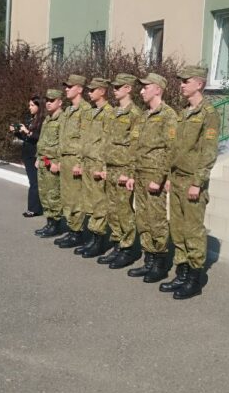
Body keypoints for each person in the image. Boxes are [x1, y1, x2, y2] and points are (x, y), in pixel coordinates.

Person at [160, 65, 219, 299]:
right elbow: (174, 148)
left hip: (193, 180)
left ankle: (195, 277)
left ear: (199, 84)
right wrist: (167, 177)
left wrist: (198, 181)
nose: (181, 84)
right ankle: (182, 272)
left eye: (186, 81)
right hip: (177, 178)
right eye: (181, 81)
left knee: (193, 230)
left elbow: (208, 151)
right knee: (178, 228)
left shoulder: (208, 113)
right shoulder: (184, 112)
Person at [125, 72, 177, 283]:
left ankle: (160, 262)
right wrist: (131, 173)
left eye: (146, 87)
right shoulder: (144, 116)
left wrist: (160, 177)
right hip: (140, 174)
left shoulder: (168, 115)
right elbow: (136, 148)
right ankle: (148, 259)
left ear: (158, 89)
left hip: (155, 176)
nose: (142, 90)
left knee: (156, 220)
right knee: (143, 219)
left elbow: (170, 149)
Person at [98, 73, 143, 269]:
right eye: (113, 87)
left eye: (118, 87)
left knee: (124, 210)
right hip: (112, 167)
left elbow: (135, 146)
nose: (114, 90)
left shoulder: (135, 114)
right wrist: (105, 166)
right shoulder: (115, 112)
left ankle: (128, 248)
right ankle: (117, 244)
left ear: (128, 89)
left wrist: (130, 172)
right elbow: (108, 141)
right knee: (113, 209)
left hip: (124, 168)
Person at [73, 77, 115, 258]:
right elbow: (85, 140)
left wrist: (105, 167)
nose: (89, 93)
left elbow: (108, 143)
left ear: (102, 91)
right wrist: (81, 162)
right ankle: (92, 238)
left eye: (92, 90)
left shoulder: (109, 113)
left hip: (98, 164)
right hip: (88, 162)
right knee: (89, 202)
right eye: (88, 90)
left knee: (99, 203)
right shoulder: (91, 113)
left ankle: (99, 240)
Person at [54, 74, 92, 249]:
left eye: (70, 87)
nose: (66, 89)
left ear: (80, 89)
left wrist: (79, 162)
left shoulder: (85, 110)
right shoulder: (69, 110)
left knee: (76, 198)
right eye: (66, 87)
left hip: (75, 159)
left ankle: (77, 232)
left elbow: (85, 138)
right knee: (67, 197)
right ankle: (71, 229)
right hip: (65, 158)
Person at [34, 90, 65, 238]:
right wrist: (37, 157)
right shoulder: (48, 119)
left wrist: (57, 162)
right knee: (44, 194)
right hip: (43, 162)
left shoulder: (62, 119)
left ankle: (56, 225)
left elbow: (63, 143)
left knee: (53, 195)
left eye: (52, 100)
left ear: (60, 102)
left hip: (52, 164)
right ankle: (49, 222)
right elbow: (42, 141)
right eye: (47, 100)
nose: (48, 103)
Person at [10, 95, 44, 217]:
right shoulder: (31, 119)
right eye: (29, 105)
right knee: (34, 182)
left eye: (32, 105)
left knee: (34, 183)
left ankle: (33, 209)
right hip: (27, 155)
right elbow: (27, 139)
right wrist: (17, 132)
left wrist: (27, 131)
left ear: (39, 106)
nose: (29, 107)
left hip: (35, 155)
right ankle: (37, 208)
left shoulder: (42, 121)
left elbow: (37, 138)